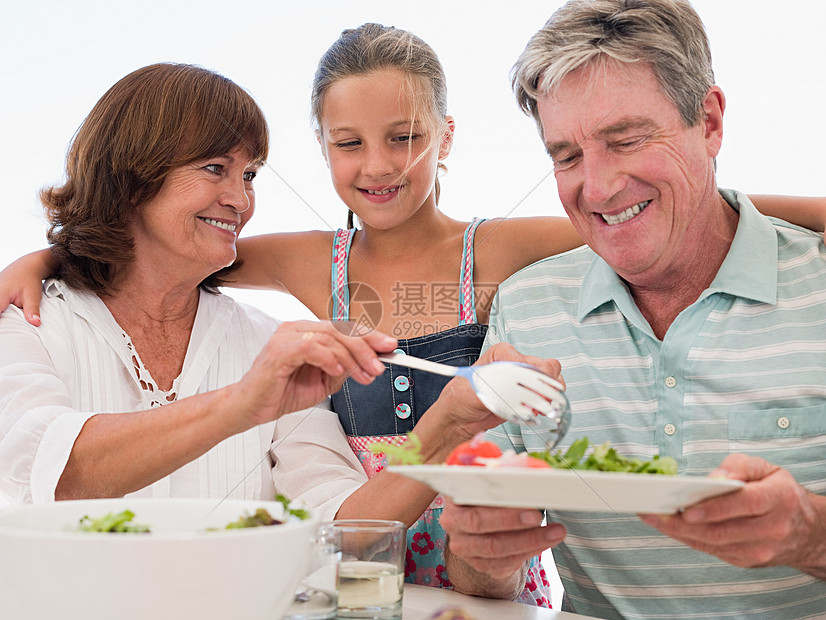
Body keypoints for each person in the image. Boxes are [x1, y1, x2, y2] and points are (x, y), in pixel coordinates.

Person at [0, 23, 824, 605]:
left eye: (405, 138)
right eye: (348, 143)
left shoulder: (499, 247)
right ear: (322, 148)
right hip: (362, 554)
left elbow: (659, 207)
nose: (379, 165)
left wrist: (757, 217)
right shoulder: (297, 258)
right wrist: (47, 257)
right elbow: (165, 248)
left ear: (446, 136)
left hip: (479, 558)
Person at [437, 1, 826, 617]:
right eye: (566, 156)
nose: (597, 187)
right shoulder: (528, 307)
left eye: (625, 139)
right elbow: (485, 586)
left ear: (709, 121)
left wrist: (812, 534)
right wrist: (485, 553)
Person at [0, 62, 401, 507]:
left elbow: (335, 514)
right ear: (131, 178)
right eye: (215, 168)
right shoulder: (27, 324)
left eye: (248, 175)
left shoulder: (266, 344)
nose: (241, 200)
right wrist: (242, 403)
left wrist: (448, 428)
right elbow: (51, 468)